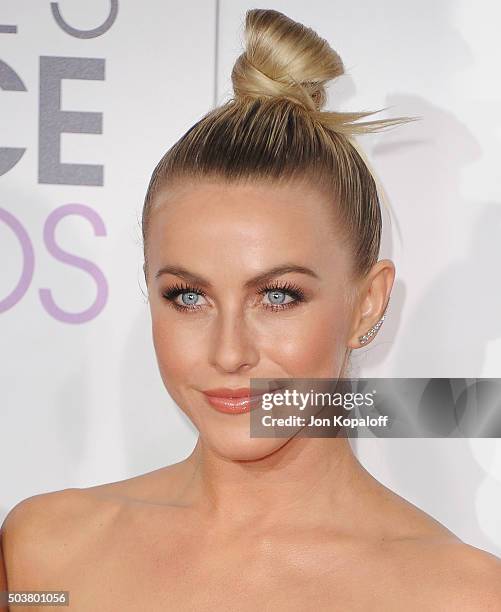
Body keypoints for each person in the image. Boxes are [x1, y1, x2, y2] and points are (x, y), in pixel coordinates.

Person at [2, 8, 501, 611]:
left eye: (278, 296)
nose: (229, 352)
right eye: (188, 296)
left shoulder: (459, 596)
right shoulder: (47, 554)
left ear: (368, 304)